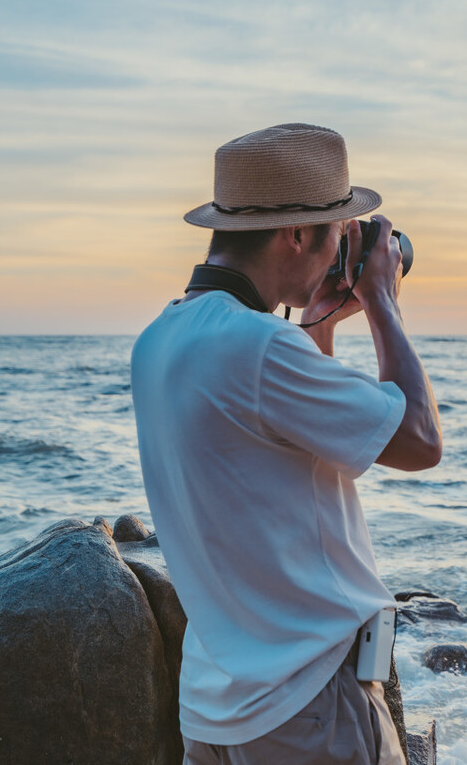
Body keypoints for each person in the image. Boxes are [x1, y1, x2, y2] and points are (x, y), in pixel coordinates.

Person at [131, 123, 441, 765]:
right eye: (336, 234)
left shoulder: (159, 340)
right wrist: (382, 302)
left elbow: (290, 454)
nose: (339, 254)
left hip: (220, 707)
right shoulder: (259, 348)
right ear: (296, 234)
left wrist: (315, 328)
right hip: (309, 705)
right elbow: (418, 440)